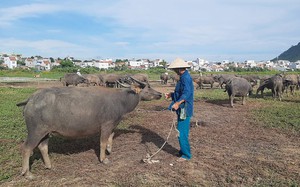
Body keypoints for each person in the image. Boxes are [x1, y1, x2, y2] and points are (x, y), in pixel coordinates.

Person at [165, 58, 194, 162]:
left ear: (179, 69)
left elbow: (187, 93)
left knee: (182, 133)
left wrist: (177, 103)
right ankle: (182, 151)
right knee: (181, 131)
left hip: (184, 109)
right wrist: (171, 95)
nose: (174, 71)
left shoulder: (186, 78)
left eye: (175, 69)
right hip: (182, 108)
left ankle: (186, 155)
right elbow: (180, 93)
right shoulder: (183, 77)